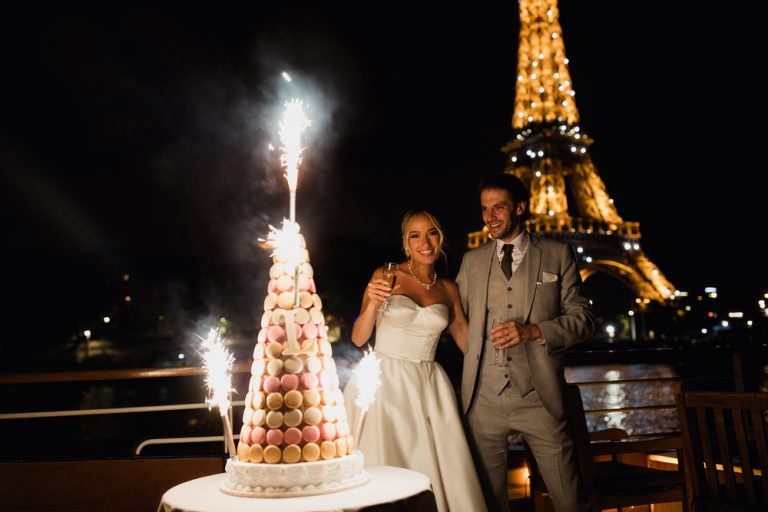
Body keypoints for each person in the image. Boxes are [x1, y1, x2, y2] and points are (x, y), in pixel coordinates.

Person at [456, 173, 595, 512]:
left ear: (519, 208)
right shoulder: (470, 262)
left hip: (541, 399)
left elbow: (584, 320)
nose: (490, 217)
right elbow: (449, 315)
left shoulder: (557, 254)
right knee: (487, 504)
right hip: (482, 400)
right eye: (485, 209)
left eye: (498, 208)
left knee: (570, 500)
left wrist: (534, 331)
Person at [344, 209, 487, 512]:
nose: (425, 242)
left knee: (436, 468)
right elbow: (358, 338)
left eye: (431, 232)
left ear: (440, 238)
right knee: (384, 465)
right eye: (415, 235)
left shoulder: (448, 289)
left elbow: (468, 341)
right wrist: (372, 303)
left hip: (428, 386)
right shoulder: (385, 275)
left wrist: (506, 370)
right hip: (384, 383)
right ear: (406, 243)